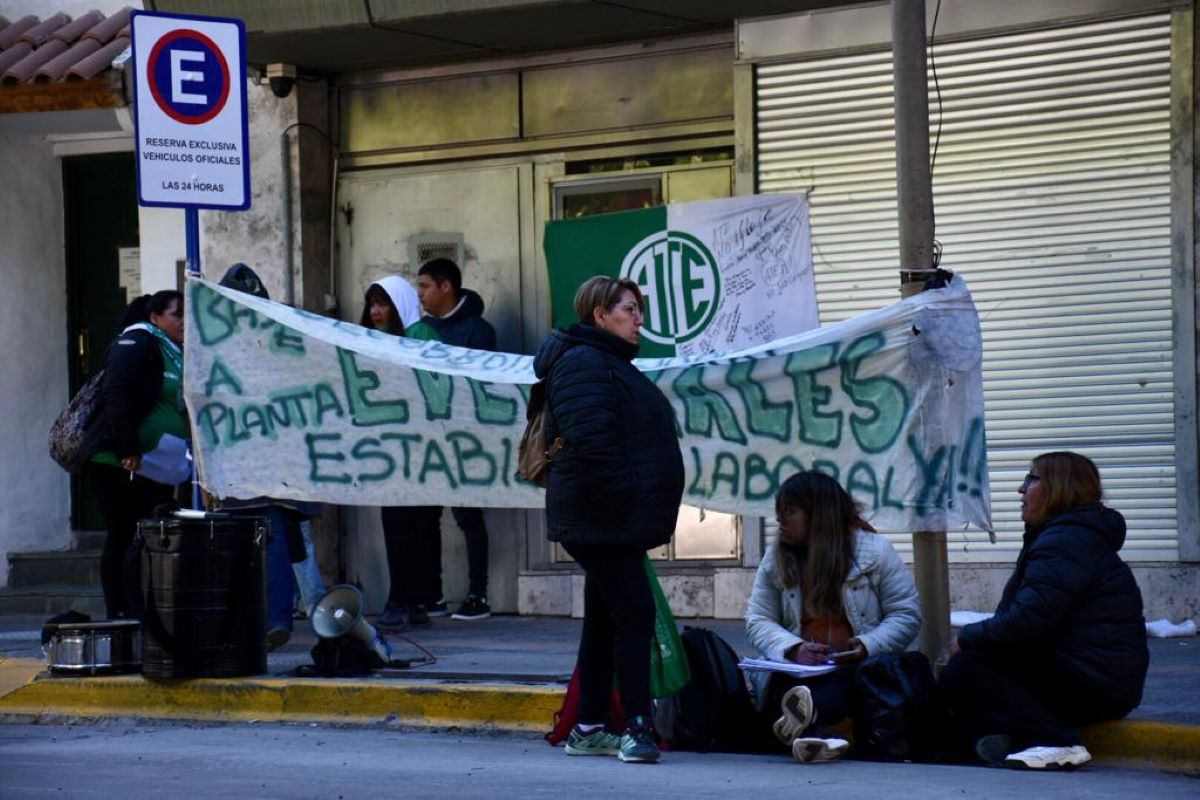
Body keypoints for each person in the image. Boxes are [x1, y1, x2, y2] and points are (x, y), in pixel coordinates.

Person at [533, 275, 685, 764]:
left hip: (608, 517)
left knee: (605, 619)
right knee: (634, 613)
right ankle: (637, 727)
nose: (639, 319)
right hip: (602, 517)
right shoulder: (584, 363)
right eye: (629, 309)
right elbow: (592, 441)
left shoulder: (606, 362)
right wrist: (629, 500)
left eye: (639, 310)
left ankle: (591, 725)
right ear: (600, 314)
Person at [940, 451, 1148, 770]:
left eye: (1031, 479)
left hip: (1095, 682)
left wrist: (967, 637)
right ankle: (1013, 740)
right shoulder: (1068, 536)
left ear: (1059, 488)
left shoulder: (1065, 542)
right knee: (973, 675)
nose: (1021, 490)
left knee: (967, 670)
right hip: (1091, 674)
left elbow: (1027, 621)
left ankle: (1057, 740)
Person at [745, 470, 921, 763]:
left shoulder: (875, 552)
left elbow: (906, 614)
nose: (780, 520)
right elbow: (757, 619)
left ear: (818, 514)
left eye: (789, 511)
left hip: (855, 668)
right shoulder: (775, 557)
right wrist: (793, 648)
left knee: (838, 688)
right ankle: (814, 734)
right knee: (785, 691)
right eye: (778, 512)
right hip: (795, 670)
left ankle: (808, 730)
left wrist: (866, 644)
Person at [212, 264, 325, 649]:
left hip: (250, 465)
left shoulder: (217, 344)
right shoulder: (282, 337)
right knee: (279, 536)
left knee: (262, 538)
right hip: (274, 464)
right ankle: (274, 617)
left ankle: (270, 618)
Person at [80, 290, 188, 619]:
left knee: (144, 535)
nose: (184, 320)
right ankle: (122, 612)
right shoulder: (137, 343)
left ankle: (142, 608)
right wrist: (126, 448)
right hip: (120, 462)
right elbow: (118, 393)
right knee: (124, 534)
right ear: (155, 317)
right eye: (176, 314)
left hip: (153, 464)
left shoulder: (171, 350)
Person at [407, 258, 497, 621]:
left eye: (425, 286)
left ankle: (479, 595)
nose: (421, 294)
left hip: (465, 436)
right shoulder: (420, 329)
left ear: (446, 287)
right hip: (428, 436)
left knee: (467, 514)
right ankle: (433, 595)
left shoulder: (478, 330)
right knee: (426, 516)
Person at [359, 275, 443, 630]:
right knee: (403, 525)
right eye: (372, 304)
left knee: (411, 525)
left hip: (417, 447)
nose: (377, 311)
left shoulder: (421, 335)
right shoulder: (370, 340)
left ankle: (404, 600)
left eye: (383, 304)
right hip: (390, 446)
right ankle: (412, 600)